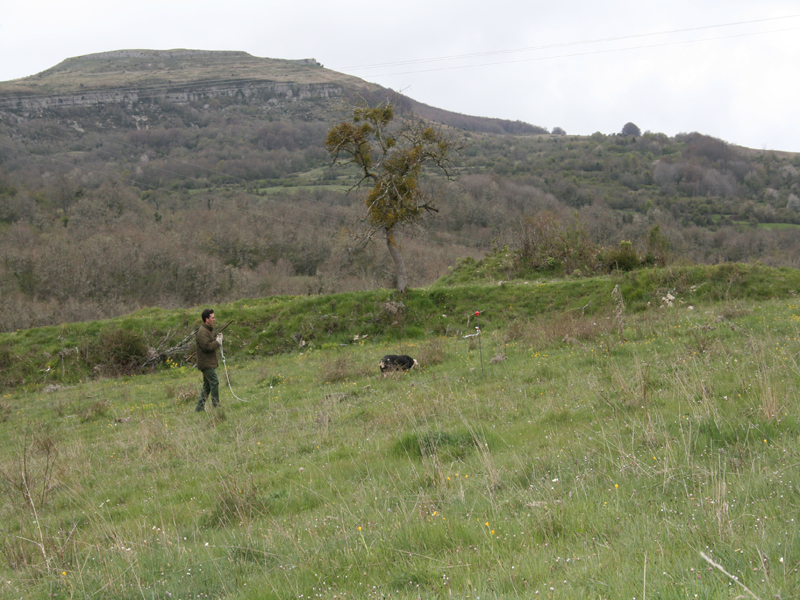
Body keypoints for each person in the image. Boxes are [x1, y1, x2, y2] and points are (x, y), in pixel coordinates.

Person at [195, 308, 223, 412]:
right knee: (214, 382)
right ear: (207, 319)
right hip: (205, 364)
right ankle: (216, 405)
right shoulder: (202, 332)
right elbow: (207, 347)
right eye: (212, 318)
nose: (214, 319)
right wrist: (217, 342)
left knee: (207, 386)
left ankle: (199, 408)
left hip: (208, 363)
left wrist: (216, 340)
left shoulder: (207, 330)